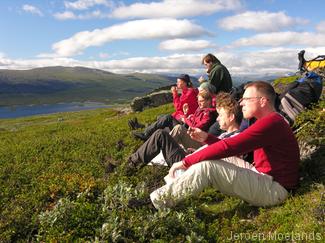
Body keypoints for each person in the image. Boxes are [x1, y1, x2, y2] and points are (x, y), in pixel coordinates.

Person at [150, 81, 300, 209]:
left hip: (275, 190)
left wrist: (184, 162)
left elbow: (231, 147)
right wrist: (207, 138)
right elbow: (231, 147)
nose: (241, 103)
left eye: (247, 99)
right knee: (207, 154)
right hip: (265, 177)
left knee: (207, 167)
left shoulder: (271, 123)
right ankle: (171, 187)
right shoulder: (270, 121)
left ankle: (157, 202)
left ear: (262, 101)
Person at [127, 93, 242, 170]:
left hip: (191, 166)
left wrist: (196, 152)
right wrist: (195, 151)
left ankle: (131, 165)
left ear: (231, 117)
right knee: (163, 130)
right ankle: (142, 156)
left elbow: (221, 157)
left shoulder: (236, 138)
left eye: (221, 115)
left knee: (161, 135)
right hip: (192, 159)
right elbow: (215, 151)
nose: (217, 119)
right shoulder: (225, 135)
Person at [131, 74, 198, 141]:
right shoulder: (186, 91)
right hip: (182, 119)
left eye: (178, 82)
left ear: (184, 83)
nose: (176, 83)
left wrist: (174, 93)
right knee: (160, 117)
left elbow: (178, 107)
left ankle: (145, 134)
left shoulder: (190, 92)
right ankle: (144, 128)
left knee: (167, 118)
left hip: (185, 124)